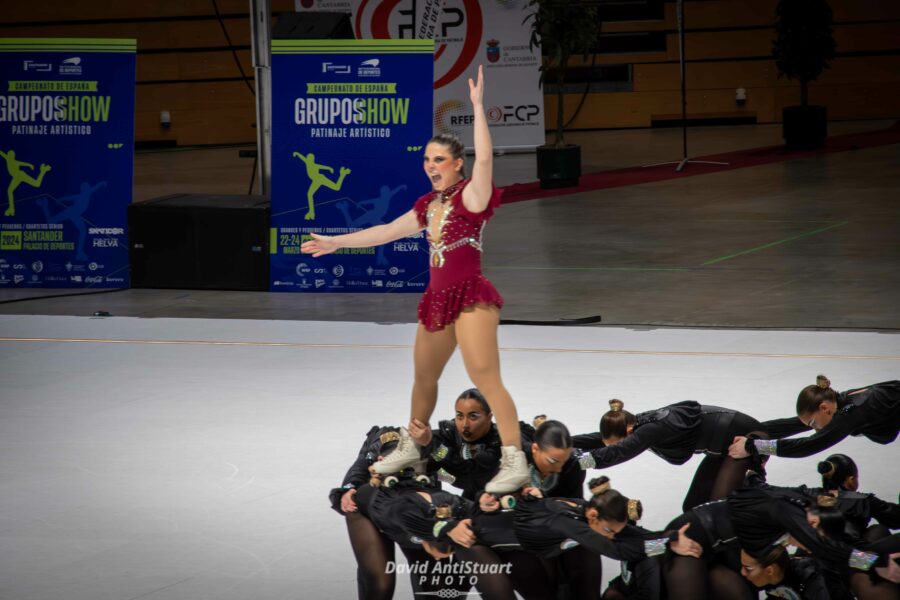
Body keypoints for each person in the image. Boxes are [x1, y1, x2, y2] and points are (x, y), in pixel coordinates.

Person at [302, 65, 529, 493]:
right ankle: (412, 442)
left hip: (470, 299)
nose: (430, 166)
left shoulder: (472, 196)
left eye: (438, 160)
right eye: (426, 159)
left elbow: (485, 159)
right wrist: (337, 242)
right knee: (424, 377)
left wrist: (478, 108)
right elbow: (386, 231)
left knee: (486, 377)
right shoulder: (428, 205)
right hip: (438, 299)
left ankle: (514, 459)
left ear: (457, 164)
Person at [580, 398, 766, 511]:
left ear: (628, 431)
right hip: (722, 449)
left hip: (746, 440)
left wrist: (578, 462)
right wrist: (562, 444)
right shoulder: (632, 424)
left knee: (719, 507)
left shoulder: (648, 430)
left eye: (623, 441)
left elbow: (619, 451)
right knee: (694, 506)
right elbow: (600, 440)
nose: (621, 444)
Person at [730, 375, 899, 461]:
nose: (815, 428)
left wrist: (755, 446)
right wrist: (746, 431)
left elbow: (808, 446)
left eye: (813, 423)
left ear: (823, 407)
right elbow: (791, 425)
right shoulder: (836, 404)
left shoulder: (851, 413)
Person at [409, 388, 534, 500]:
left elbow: (466, 471)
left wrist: (431, 444)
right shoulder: (451, 433)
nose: (465, 424)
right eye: (460, 416)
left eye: (473, 417)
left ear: (489, 416)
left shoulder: (499, 443)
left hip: (499, 498)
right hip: (471, 490)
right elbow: (438, 457)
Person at [739, 543, 830, 600]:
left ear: (769, 570)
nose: (742, 572)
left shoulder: (811, 579)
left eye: (747, 568)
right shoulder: (764, 580)